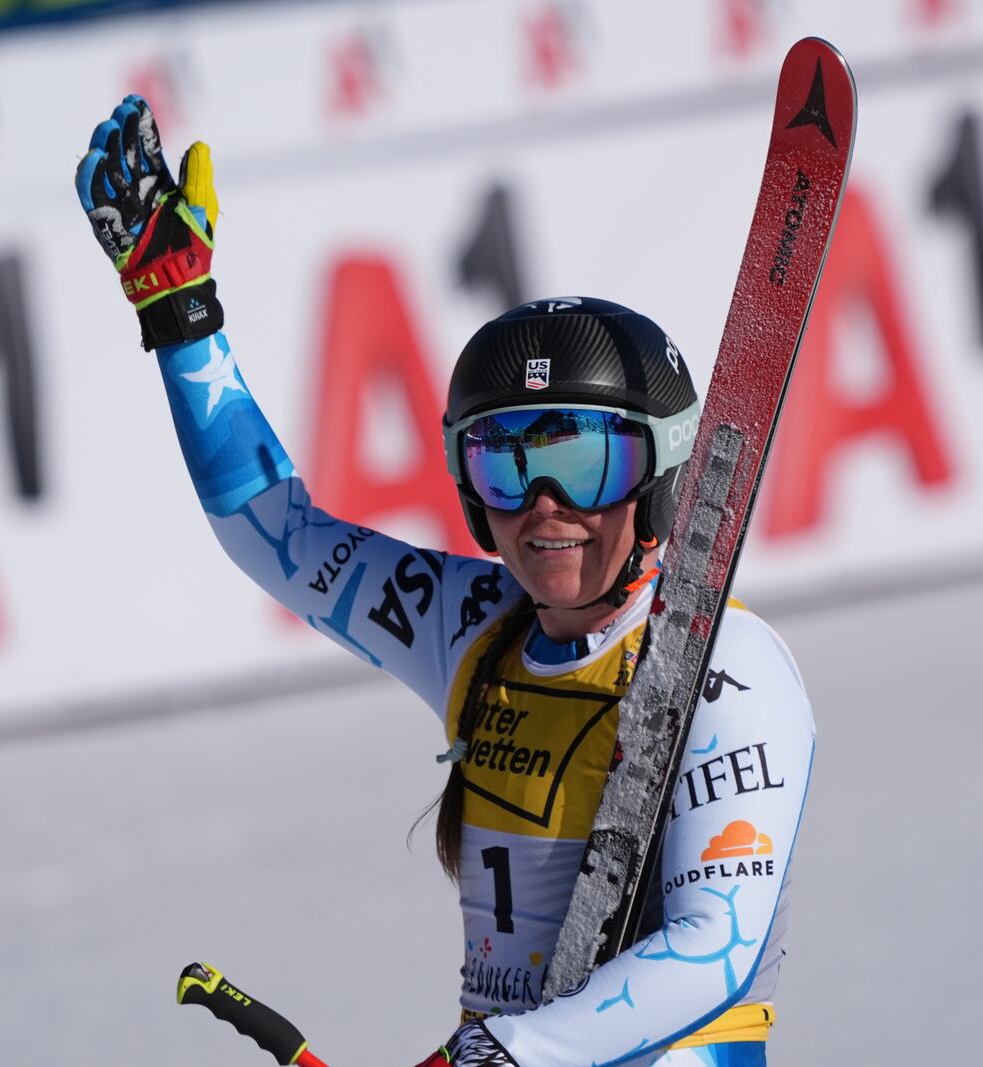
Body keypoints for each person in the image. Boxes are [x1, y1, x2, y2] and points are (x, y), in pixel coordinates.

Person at [77, 97, 814, 1067]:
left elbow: (714, 947)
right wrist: (180, 319)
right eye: (503, 465)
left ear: (665, 472)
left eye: (586, 463)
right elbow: (276, 535)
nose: (544, 504)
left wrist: (505, 1053)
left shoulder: (731, 668)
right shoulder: (473, 625)